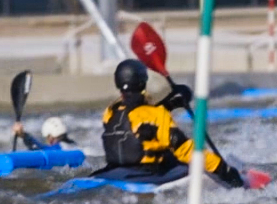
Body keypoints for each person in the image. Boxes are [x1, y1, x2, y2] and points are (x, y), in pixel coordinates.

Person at [98, 58, 244, 187]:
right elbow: (185, 150)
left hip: (113, 171)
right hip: (149, 175)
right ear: (143, 83)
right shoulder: (157, 115)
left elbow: (138, 116)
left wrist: (171, 103)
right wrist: (223, 168)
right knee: (182, 160)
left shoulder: (110, 113)